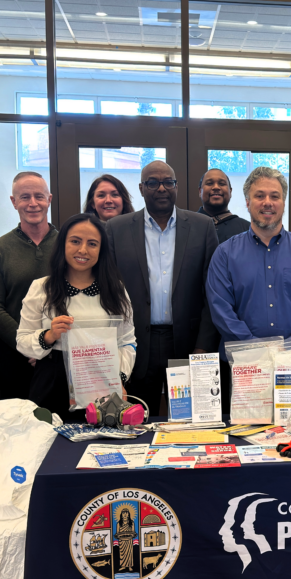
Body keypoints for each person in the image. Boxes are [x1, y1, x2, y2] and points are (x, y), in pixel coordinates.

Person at [106, 161, 219, 413]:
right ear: (141, 187)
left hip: (188, 343)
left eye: (168, 182)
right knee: (135, 419)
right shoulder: (116, 228)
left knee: (190, 422)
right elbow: (109, 291)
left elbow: (212, 292)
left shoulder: (202, 227)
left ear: (176, 186)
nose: (161, 188)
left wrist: (202, 347)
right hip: (134, 343)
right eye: (153, 183)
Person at [16, 214, 136, 420]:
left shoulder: (116, 290)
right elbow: (22, 342)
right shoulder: (41, 288)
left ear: (102, 250)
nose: (83, 250)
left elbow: (127, 342)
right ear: (62, 244)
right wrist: (49, 335)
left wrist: (118, 380)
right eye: (75, 241)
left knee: (100, 443)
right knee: (52, 445)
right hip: (52, 381)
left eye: (92, 244)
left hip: (102, 381)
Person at [207, 166, 291, 346]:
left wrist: (289, 348)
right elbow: (221, 310)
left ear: (283, 202)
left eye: (275, 196)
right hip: (243, 363)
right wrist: (254, 348)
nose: (267, 202)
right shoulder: (224, 254)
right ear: (247, 202)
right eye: (259, 196)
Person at [0, 172, 58, 401]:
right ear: (14, 202)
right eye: (25, 197)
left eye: (39, 196)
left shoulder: (67, 246)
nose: (33, 203)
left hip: (61, 356)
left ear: (49, 199)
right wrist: (30, 347)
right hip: (14, 360)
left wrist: (49, 344)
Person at [198, 168, 250, 243]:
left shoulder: (247, 229)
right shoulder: (188, 226)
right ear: (200, 191)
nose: (216, 187)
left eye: (222, 184)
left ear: (230, 191)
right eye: (209, 183)